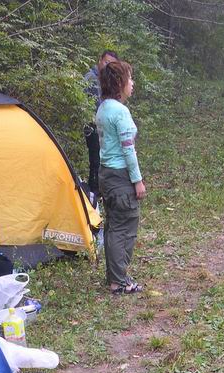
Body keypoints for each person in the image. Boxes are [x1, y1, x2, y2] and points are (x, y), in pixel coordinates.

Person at [95, 60, 146, 294]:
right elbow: (128, 150)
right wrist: (137, 180)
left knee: (114, 226)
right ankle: (118, 282)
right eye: (130, 78)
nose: (132, 83)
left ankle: (115, 276)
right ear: (119, 83)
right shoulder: (119, 111)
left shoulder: (103, 108)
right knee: (124, 226)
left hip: (106, 174)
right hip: (120, 175)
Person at [83, 50, 118, 200]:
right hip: (93, 127)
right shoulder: (91, 78)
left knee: (102, 157)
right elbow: (95, 106)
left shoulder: (106, 80)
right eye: (106, 62)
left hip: (103, 127)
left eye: (111, 64)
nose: (108, 65)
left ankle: (100, 189)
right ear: (100, 60)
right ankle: (94, 192)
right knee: (95, 158)